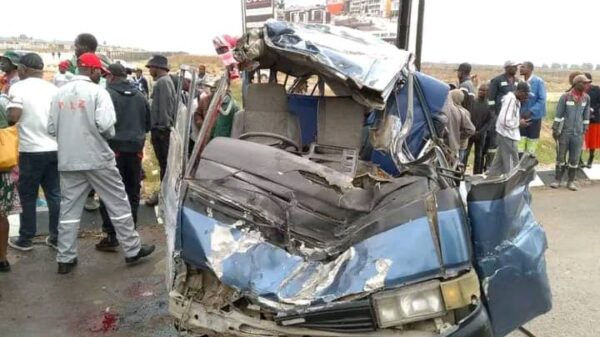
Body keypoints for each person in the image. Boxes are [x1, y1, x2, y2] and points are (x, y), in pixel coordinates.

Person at [47, 53, 155, 274]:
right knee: (119, 203)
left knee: (69, 210)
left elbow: (50, 128)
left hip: (69, 160)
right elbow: (106, 126)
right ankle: (132, 250)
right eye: (100, 72)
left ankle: (65, 258)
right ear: (94, 71)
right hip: (98, 158)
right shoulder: (98, 92)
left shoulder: (59, 93)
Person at [4, 53, 60, 252]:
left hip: (29, 151)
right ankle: (56, 237)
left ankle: (26, 238)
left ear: (24, 69)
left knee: (27, 195)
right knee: (54, 194)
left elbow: (14, 115)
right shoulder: (54, 89)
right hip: (54, 148)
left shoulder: (18, 87)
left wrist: (9, 117)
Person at [96, 63, 150, 252]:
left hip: (113, 150)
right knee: (132, 191)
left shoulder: (106, 95)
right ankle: (131, 232)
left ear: (110, 76)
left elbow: (101, 125)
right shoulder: (140, 96)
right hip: (135, 150)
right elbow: (147, 124)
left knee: (109, 193)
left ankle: (111, 235)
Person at [145, 55, 176, 206]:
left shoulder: (163, 83)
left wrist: (162, 130)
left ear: (158, 68)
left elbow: (164, 109)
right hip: (161, 129)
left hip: (161, 131)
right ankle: (166, 195)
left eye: (151, 67)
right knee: (164, 165)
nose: (149, 70)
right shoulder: (163, 81)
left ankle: (164, 196)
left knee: (165, 165)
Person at [550, 75, 591, 191]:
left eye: (587, 83)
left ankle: (571, 181)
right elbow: (558, 114)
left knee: (574, 159)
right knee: (561, 157)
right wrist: (555, 129)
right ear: (577, 84)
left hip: (578, 133)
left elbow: (586, 114)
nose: (586, 85)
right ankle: (557, 180)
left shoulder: (586, 98)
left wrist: (585, 128)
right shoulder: (565, 97)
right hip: (564, 132)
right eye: (584, 83)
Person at [487, 82, 530, 177]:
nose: (527, 97)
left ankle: (489, 184)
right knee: (512, 167)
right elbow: (504, 121)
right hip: (507, 137)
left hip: (507, 136)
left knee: (497, 165)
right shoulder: (511, 100)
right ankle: (512, 189)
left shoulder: (515, 100)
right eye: (526, 94)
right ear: (520, 91)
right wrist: (519, 123)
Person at [0, 87, 21, 272]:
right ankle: (3, 258)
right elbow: (14, 118)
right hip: (2, 165)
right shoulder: (3, 102)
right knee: (1, 215)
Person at [486, 60, 520, 169]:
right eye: (514, 67)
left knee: (505, 145)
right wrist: (494, 115)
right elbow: (490, 99)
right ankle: (489, 166)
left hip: (509, 119)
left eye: (516, 67)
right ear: (507, 68)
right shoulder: (497, 80)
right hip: (498, 118)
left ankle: (498, 169)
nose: (516, 69)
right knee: (494, 143)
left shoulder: (517, 81)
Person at [463, 82, 494, 174]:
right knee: (466, 154)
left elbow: (489, 121)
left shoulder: (489, 105)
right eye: (480, 90)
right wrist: (471, 129)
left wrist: (480, 132)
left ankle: (477, 174)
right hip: (469, 133)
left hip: (481, 135)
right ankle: (461, 172)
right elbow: (467, 116)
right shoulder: (472, 102)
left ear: (488, 92)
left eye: (484, 90)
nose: (481, 92)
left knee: (479, 156)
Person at [518, 62, 547, 156]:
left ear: (530, 69)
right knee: (520, 141)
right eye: (520, 67)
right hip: (521, 117)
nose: (520, 69)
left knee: (532, 141)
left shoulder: (538, 82)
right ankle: (519, 164)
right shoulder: (520, 82)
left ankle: (529, 164)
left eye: (523, 67)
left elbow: (542, 99)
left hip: (534, 118)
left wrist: (531, 111)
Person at [442, 89, 475, 162]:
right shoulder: (463, 111)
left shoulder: (460, 111)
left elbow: (471, 130)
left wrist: (456, 135)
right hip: (457, 145)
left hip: (458, 146)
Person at [584, 73, 600, 168]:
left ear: (590, 81)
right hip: (581, 119)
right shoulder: (579, 90)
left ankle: (590, 159)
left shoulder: (597, 90)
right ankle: (579, 160)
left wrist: (592, 108)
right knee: (581, 139)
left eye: (586, 82)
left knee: (592, 140)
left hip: (594, 119)